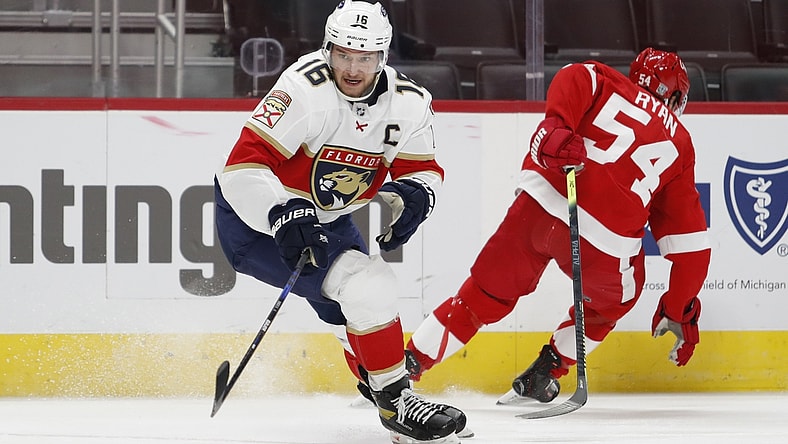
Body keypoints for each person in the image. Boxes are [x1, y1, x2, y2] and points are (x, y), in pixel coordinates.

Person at [213, 1, 466, 443]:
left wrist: (416, 196)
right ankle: (397, 405)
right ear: (327, 49)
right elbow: (243, 167)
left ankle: (382, 388)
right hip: (253, 221)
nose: (352, 68)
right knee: (369, 285)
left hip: (328, 216)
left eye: (364, 57)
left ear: (383, 56)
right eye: (344, 54)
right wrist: (281, 212)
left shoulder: (408, 104)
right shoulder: (302, 90)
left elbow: (422, 169)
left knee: (355, 312)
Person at [403, 47, 712, 405]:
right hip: (606, 244)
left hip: (540, 201)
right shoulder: (680, 142)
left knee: (482, 295)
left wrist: (555, 123)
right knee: (609, 305)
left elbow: (574, 74)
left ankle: (402, 370)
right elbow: (692, 250)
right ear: (675, 95)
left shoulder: (604, 78)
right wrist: (678, 309)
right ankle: (545, 373)